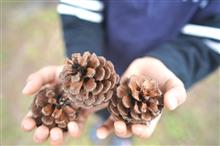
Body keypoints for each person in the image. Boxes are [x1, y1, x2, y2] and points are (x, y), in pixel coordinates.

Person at [21, 0, 220, 145]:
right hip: (103, 54)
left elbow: (213, 33)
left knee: (131, 116)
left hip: (154, 71)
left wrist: (170, 63)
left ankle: (122, 137)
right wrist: (81, 54)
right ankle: (105, 123)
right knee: (102, 108)